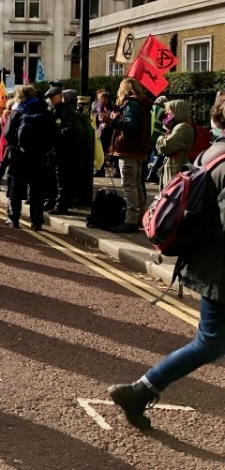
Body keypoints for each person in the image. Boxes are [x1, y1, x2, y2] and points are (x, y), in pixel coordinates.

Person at [108, 94, 225, 430]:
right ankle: (140, 390)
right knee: (208, 342)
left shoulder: (212, 152)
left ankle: (140, 391)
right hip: (219, 270)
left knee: (209, 342)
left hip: (207, 263)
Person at [3, 85, 55, 231]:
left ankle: (14, 218)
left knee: (15, 187)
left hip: (19, 156)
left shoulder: (17, 112)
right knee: (37, 189)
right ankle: (37, 221)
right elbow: (53, 134)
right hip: (39, 156)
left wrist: (14, 145)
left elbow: (7, 134)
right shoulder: (45, 112)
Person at [103, 78, 152, 233]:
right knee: (137, 185)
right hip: (139, 150)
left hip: (129, 150)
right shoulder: (143, 105)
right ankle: (141, 217)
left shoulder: (131, 104)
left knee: (129, 185)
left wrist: (111, 122)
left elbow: (131, 126)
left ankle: (131, 219)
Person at [155, 100, 195, 190]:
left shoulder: (182, 127)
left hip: (176, 169)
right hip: (173, 167)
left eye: (168, 109)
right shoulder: (178, 126)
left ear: (177, 111)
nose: (166, 112)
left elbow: (164, 146)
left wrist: (160, 138)